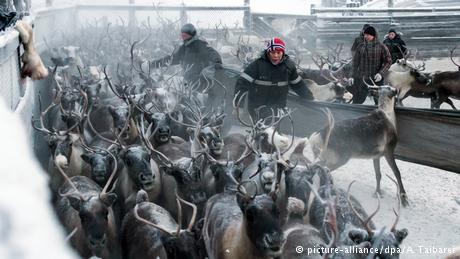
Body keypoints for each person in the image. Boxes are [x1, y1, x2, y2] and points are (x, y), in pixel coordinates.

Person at [233, 37, 313, 119]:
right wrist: (238, 106)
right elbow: (241, 84)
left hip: (278, 108)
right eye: (273, 52)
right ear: (268, 52)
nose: (276, 56)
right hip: (258, 107)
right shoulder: (257, 65)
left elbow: (298, 85)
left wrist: (311, 98)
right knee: (264, 129)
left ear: (283, 52)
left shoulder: (289, 67)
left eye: (278, 53)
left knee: (275, 130)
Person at [147, 23, 223, 86]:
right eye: (182, 35)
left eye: (185, 36)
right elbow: (172, 59)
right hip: (188, 79)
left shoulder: (199, 44)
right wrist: (154, 64)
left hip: (201, 80)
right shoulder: (184, 48)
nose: (183, 38)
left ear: (191, 35)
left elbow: (211, 52)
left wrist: (217, 62)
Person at [350, 25, 392, 104]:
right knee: (357, 101)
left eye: (368, 35)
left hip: (376, 79)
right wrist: (352, 76)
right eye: (365, 34)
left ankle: (379, 115)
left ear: (373, 35)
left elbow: (388, 61)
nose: (366, 36)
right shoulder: (360, 46)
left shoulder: (381, 46)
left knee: (379, 102)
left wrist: (381, 73)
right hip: (362, 79)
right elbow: (355, 63)